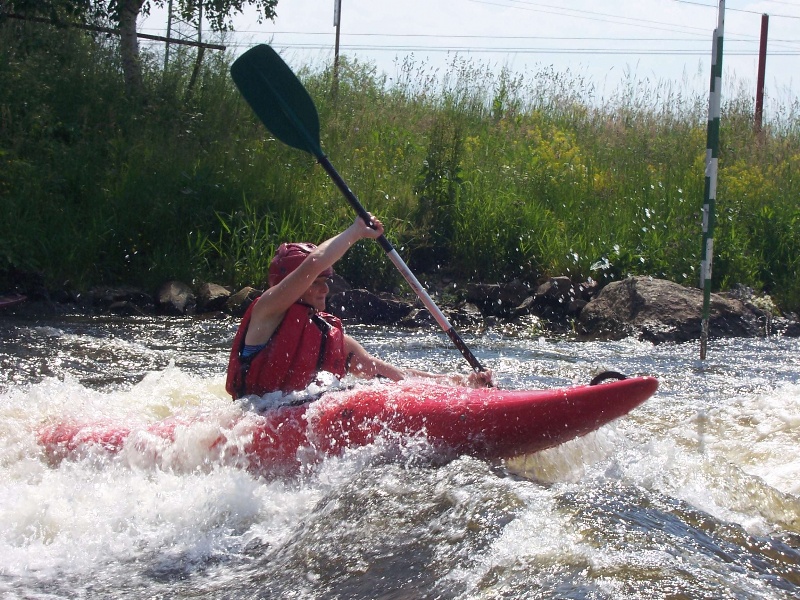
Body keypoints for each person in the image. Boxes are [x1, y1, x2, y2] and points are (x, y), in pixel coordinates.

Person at [226, 213, 493, 400]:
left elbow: (393, 374)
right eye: (314, 283)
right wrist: (355, 232)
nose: (325, 289)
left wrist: (460, 382)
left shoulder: (332, 337)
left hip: (296, 417)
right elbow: (315, 262)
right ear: (289, 283)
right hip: (255, 420)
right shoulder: (267, 312)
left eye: (325, 281)